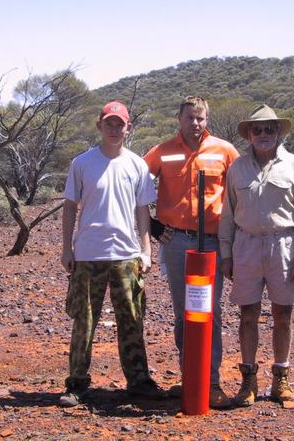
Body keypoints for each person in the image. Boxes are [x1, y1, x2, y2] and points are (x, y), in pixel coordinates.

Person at [59, 100, 164, 407]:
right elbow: (69, 207)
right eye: (109, 123)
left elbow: (143, 210)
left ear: (128, 128)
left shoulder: (137, 165)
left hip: (126, 255)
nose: (115, 129)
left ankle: (139, 381)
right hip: (88, 254)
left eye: (120, 124)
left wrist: (145, 251)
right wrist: (67, 248)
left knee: (131, 319)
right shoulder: (82, 163)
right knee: (84, 322)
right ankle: (77, 384)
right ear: (99, 126)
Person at [218, 104, 294, 409]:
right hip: (246, 246)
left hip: (284, 247)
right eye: (257, 129)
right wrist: (226, 254)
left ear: (278, 132)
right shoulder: (237, 168)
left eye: (269, 129)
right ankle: (248, 380)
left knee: (282, 315)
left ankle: (281, 380)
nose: (263, 134)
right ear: (249, 134)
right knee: (247, 316)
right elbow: (228, 214)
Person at [144, 96, 239, 408]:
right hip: (176, 242)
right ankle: (191, 379)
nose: (195, 124)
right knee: (184, 313)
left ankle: (210, 383)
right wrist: (153, 226)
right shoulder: (162, 151)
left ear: (206, 119)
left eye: (200, 118)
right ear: (179, 119)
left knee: (209, 311)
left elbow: (242, 191)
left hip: (212, 242)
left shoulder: (225, 151)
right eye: (189, 118)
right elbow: (133, 183)